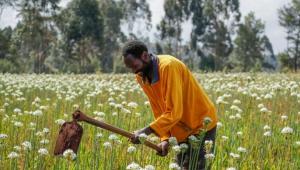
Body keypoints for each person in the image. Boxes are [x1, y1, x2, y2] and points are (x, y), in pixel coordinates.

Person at [122, 40, 218, 170]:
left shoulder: (168, 67)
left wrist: (145, 132)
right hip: (179, 128)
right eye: (130, 68)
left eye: (134, 65)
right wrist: (165, 138)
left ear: (144, 56)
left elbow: (174, 111)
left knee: (197, 166)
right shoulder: (141, 76)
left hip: (201, 123)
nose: (134, 71)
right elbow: (158, 109)